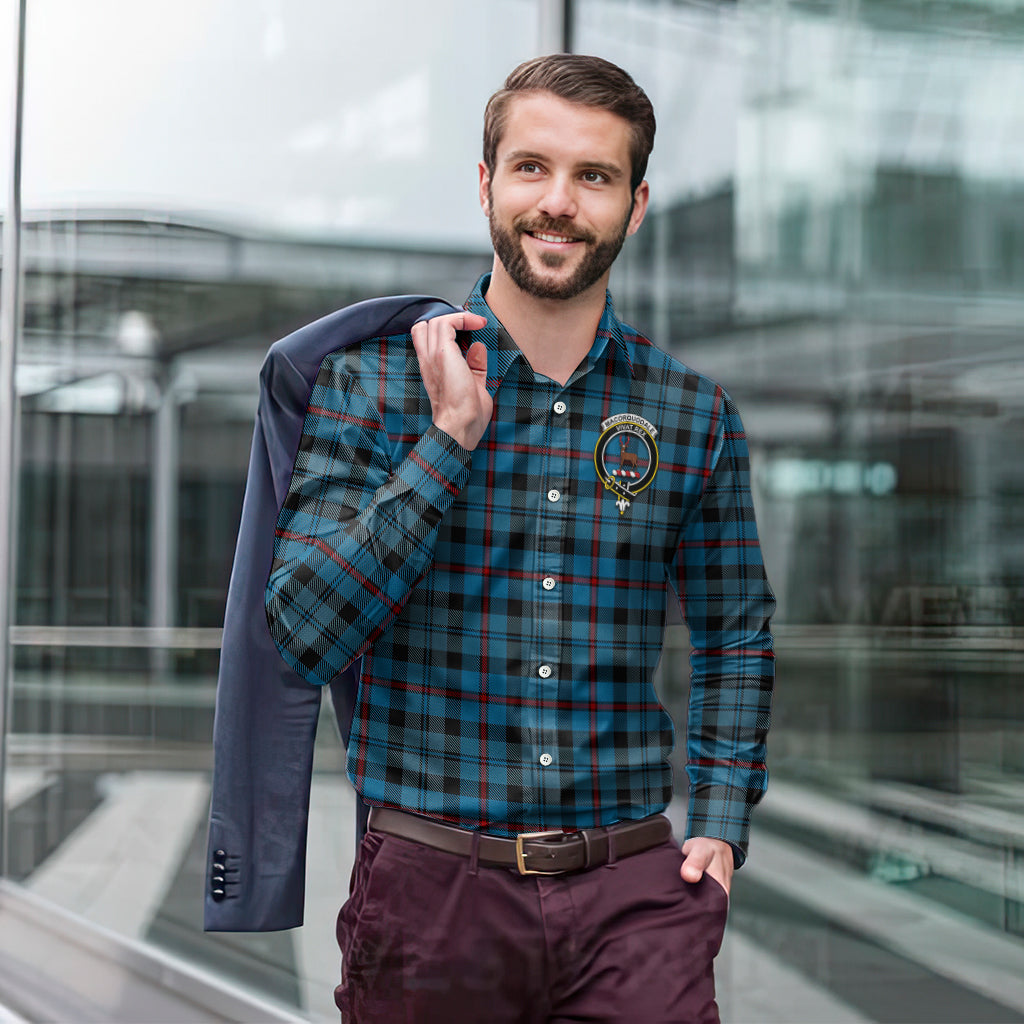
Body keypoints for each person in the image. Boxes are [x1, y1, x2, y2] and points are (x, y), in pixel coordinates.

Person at [265, 53, 775, 1024]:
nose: (559, 202)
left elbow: (734, 632)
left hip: (635, 897)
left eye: (595, 176)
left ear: (636, 203)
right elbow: (301, 632)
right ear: (487, 182)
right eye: (533, 167)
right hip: (432, 897)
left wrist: (717, 819)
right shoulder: (372, 388)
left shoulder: (690, 413)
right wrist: (448, 441)